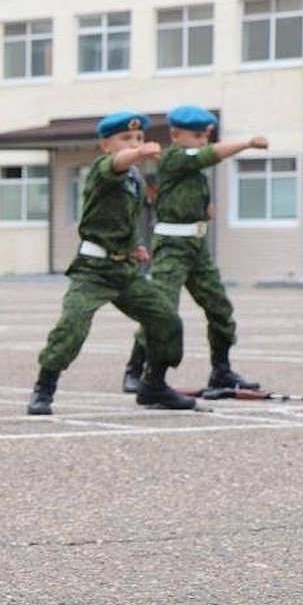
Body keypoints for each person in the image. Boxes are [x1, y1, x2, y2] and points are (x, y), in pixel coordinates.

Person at [27, 112, 196, 416]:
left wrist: (135, 247)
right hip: (93, 270)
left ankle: (153, 385)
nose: (135, 143)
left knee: (166, 320)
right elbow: (116, 164)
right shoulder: (103, 169)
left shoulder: (135, 179)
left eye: (139, 138)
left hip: (124, 271)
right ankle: (44, 388)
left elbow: (123, 218)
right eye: (126, 139)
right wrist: (140, 153)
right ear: (106, 145)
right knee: (72, 326)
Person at [121, 105, 268, 393]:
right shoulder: (174, 156)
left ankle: (222, 370)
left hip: (196, 248)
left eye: (206, 136)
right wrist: (247, 143)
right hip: (171, 248)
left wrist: (202, 207)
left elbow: (197, 169)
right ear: (175, 134)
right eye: (198, 135)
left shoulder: (191, 165)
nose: (203, 141)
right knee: (161, 309)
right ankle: (136, 370)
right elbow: (206, 156)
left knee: (220, 308)